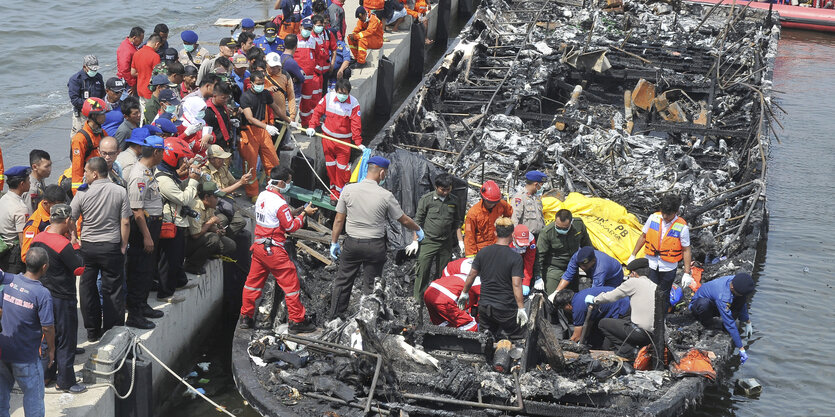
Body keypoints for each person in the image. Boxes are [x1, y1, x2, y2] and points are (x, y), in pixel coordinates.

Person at [329, 156, 424, 319]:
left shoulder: (348, 190)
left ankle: (335, 317)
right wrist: (418, 229)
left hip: (352, 243)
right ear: (381, 172)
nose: (385, 176)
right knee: (371, 285)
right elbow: (402, 219)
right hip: (375, 246)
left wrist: (334, 242)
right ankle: (367, 320)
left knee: (343, 281)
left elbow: (339, 219)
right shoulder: (385, 195)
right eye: (385, 174)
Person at [239, 167, 318, 332]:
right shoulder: (280, 204)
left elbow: (274, 218)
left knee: (252, 284)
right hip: (273, 250)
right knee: (291, 284)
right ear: (282, 182)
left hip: (259, 247)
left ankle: (246, 317)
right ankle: (297, 321)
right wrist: (304, 214)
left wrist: (295, 213)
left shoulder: (263, 195)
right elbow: (290, 226)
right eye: (289, 181)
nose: (289, 184)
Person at [70, 157, 131, 341]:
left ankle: (92, 331)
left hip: (88, 247)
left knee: (87, 288)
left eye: (86, 172)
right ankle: (113, 330)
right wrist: (122, 245)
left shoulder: (82, 193)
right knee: (113, 289)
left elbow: (70, 218)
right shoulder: (120, 191)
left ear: (95, 173)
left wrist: (74, 237)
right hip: (111, 246)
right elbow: (126, 222)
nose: (84, 175)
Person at [30, 204, 87, 393]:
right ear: (68, 220)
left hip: (42, 294)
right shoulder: (63, 245)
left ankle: (46, 375)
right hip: (62, 297)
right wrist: (75, 241)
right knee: (66, 339)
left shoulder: (38, 239)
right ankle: (65, 381)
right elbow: (79, 268)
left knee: (46, 337)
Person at [0, 247, 55, 415]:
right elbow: (47, 327)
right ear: (44, 267)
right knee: (34, 401)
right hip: (26, 358)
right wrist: (52, 349)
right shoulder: (42, 293)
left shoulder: (10, 282)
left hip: (4, 352)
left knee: (1, 400)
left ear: (26, 262)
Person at [457, 217, 526, 339]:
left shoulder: (483, 252)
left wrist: (464, 293)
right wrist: (521, 308)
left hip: (484, 307)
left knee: (485, 340)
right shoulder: (515, 258)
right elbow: (516, 285)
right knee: (518, 338)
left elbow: (472, 274)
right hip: (505, 308)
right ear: (512, 234)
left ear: (495, 233)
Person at [125, 135, 167, 329]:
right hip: (144, 227)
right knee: (139, 271)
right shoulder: (139, 175)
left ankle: (142, 305)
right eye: (162, 152)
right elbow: (137, 210)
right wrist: (147, 236)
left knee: (147, 270)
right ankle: (134, 314)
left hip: (153, 224)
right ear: (156, 152)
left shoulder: (148, 171)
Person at [628, 194, 693, 314]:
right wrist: (633, 255)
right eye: (663, 213)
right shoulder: (653, 218)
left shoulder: (682, 227)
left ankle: (661, 320)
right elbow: (643, 237)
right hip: (651, 263)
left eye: (669, 214)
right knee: (648, 291)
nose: (665, 216)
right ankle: (646, 316)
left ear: (676, 212)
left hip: (668, 267)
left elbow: (686, 249)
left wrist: (686, 273)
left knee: (663, 294)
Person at [156, 138, 200, 303]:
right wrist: (194, 181)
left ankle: (180, 281)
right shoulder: (163, 179)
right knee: (169, 260)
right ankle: (165, 293)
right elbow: (183, 198)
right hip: (170, 223)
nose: (184, 162)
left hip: (178, 221)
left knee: (178, 256)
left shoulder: (169, 174)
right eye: (181, 158)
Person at [587, 258, 657, 358]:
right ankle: (634, 348)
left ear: (634, 273)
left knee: (603, 323)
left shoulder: (633, 282)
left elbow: (611, 296)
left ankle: (628, 350)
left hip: (640, 333)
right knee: (626, 319)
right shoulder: (655, 286)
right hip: (654, 335)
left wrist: (595, 299)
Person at [409, 172, 464, 300]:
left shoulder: (454, 201)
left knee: (443, 272)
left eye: (448, 189)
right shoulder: (427, 200)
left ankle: (437, 298)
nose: (445, 192)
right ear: (436, 187)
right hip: (428, 241)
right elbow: (417, 221)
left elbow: (457, 223)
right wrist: (415, 241)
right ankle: (418, 300)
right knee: (422, 271)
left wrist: (461, 241)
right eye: (442, 189)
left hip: (446, 243)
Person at [305, 79, 362, 199]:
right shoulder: (328, 98)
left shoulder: (354, 103)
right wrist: (311, 126)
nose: (342, 95)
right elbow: (317, 112)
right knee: (330, 166)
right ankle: (333, 191)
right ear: (336, 91)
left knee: (341, 168)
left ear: (349, 93)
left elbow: (356, 124)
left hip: (344, 142)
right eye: (340, 92)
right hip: (327, 139)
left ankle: (339, 192)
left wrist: (358, 142)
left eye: (345, 93)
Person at [689, 272, 755, 365]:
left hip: (715, 303)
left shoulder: (735, 281)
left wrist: (748, 321)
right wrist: (741, 347)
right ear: (732, 288)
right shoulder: (723, 295)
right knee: (704, 305)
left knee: (740, 299)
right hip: (700, 305)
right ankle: (708, 323)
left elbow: (742, 304)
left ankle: (723, 326)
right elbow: (730, 324)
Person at [239, 71, 282, 199]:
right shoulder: (245, 97)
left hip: (263, 130)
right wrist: (267, 127)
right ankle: (252, 194)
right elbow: (250, 118)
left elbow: (276, 108)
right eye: (258, 83)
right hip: (249, 131)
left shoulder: (265, 94)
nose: (261, 85)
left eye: (262, 83)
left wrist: (290, 121)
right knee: (250, 165)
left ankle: (273, 188)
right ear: (251, 83)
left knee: (273, 161)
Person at [184, 182, 236, 275]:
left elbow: (208, 224)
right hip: (187, 241)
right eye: (215, 197)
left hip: (200, 236)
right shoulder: (196, 207)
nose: (217, 200)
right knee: (213, 239)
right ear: (206, 197)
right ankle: (191, 265)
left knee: (230, 245)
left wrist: (217, 230)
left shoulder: (210, 206)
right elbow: (195, 235)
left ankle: (204, 254)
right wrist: (211, 222)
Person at [537, 209, 593, 294]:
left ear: (571, 222)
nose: (562, 230)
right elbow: (539, 257)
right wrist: (538, 277)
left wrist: (589, 266)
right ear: (555, 221)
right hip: (554, 269)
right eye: (558, 228)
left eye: (565, 228)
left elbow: (587, 247)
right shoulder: (547, 233)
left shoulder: (578, 225)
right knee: (552, 297)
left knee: (573, 296)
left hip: (572, 266)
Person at [551, 286, 630, 347]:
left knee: (608, 341)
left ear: (567, 305)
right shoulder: (580, 296)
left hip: (623, 308)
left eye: (563, 308)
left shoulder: (578, 307)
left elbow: (576, 337)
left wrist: (563, 346)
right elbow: (588, 324)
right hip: (624, 300)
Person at [424, 257, 481, 331]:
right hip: (445, 298)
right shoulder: (482, 283)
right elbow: (481, 307)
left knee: (441, 323)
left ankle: (439, 340)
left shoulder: (468, 270)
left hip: (430, 291)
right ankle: (468, 342)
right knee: (468, 324)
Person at [463, 180, 513, 257]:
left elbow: (511, 214)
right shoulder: (473, 214)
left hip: (498, 244)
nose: (492, 204)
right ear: (483, 198)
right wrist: (471, 255)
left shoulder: (501, 204)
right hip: (481, 249)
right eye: (490, 202)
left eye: (495, 202)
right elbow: (469, 235)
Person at [21, 185, 66, 265]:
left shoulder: (58, 215)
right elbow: (26, 256)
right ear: (46, 203)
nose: (60, 209)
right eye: (57, 206)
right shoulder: (34, 225)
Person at [0, 167, 32, 274]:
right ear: (22, 184)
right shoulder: (20, 208)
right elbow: (23, 240)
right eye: (28, 180)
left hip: (3, 247)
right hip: (14, 255)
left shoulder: (4, 199)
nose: (30, 182)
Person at [555, 246, 624, 293]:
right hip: (596, 270)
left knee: (606, 295)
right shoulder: (577, 257)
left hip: (614, 276)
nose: (582, 268)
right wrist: (556, 292)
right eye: (580, 265)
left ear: (593, 261)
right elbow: (568, 275)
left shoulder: (600, 269)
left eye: (585, 265)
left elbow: (595, 291)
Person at [68, 55, 106, 138]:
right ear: (84, 67)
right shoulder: (75, 79)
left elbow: (103, 94)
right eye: (92, 69)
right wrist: (91, 105)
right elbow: (75, 100)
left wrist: (100, 106)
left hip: (96, 114)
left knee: (95, 137)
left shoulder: (98, 77)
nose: (94, 71)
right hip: (81, 115)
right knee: (78, 138)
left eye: (96, 69)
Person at [296, 18, 324, 126]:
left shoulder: (313, 41)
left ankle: (306, 123)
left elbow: (317, 56)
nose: (306, 30)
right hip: (296, 79)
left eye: (309, 28)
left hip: (309, 79)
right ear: (300, 27)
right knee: (294, 103)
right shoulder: (295, 40)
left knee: (307, 103)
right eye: (305, 28)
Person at [264, 52, 297, 134]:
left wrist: (292, 116)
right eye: (272, 67)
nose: (274, 69)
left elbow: (291, 96)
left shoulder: (285, 75)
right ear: (266, 64)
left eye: (277, 67)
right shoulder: (261, 75)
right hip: (266, 116)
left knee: (280, 141)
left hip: (281, 116)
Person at [511, 170, 547, 236]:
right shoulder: (520, 197)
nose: (542, 188)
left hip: (538, 236)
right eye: (541, 185)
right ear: (536, 184)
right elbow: (514, 219)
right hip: (525, 236)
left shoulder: (537, 198)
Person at [509, 224, 540, 297]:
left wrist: (526, 282)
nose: (522, 246)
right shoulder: (507, 239)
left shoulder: (531, 241)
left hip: (523, 260)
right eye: (521, 244)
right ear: (513, 237)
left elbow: (529, 262)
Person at [204, 82, 236, 150]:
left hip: (226, 143)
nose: (226, 100)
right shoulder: (207, 110)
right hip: (215, 146)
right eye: (223, 98)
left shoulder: (223, 106)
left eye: (228, 97)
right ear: (214, 95)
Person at [132, 34, 163, 103]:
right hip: (150, 91)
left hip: (140, 90)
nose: (158, 48)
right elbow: (158, 76)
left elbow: (133, 73)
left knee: (143, 112)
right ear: (157, 44)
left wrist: (143, 74)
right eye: (159, 46)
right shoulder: (155, 56)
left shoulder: (136, 53)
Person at [118, 26, 145, 94]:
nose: (141, 42)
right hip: (128, 81)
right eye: (141, 39)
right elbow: (124, 69)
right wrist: (133, 84)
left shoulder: (130, 45)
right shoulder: (127, 49)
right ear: (134, 38)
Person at [281, 35, 306, 100]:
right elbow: (302, 79)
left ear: (284, 44)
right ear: (296, 46)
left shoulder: (281, 56)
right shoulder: (291, 62)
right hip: (292, 96)